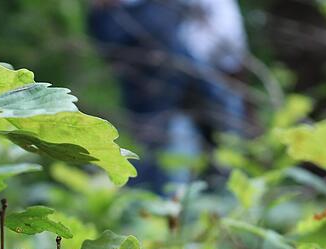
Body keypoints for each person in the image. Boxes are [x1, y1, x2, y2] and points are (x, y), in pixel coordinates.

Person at [88, 0, 248, 193]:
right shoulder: (119, 18)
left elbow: (230, 44)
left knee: (221, 159)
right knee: (169, 160)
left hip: (198, 85)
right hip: (164, 98)